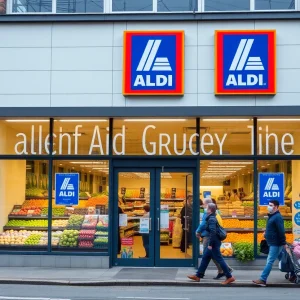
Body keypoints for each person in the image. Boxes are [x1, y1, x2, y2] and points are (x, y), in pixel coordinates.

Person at [188, 203, 235, 285]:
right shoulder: (210, 217)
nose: (205, 209)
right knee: (205, 258)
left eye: (206, 208)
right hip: (213, 241)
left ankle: (229, 276)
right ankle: (198, 275)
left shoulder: (212, 219)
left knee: (219, 259)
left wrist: (210, 244)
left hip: (214, 242)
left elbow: (213, 233)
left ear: (210, 210)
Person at [196, 198, 233, 279]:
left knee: (212, 255)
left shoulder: (210, 216)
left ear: (208, 206)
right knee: (209, 255)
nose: (204, 207)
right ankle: (199, 274)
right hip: (213, 239)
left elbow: (206, 226)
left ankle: (226, 271)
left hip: (210, 238)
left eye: (205, 205)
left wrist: (198, 231)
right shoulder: (216, 213)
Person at [253, 200, 287, 287]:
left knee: (270, 261)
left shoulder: (277, 217)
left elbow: (281, 231)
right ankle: (292, 273)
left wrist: (283, 242)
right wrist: (267, 232)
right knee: (283, 259)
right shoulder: (272, 216)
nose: (269, 206)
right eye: (269, 205)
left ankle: (262, 279)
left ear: (276, 207)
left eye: (271, 205)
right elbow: (274, 229)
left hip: (276, 243)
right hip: (272, 242)